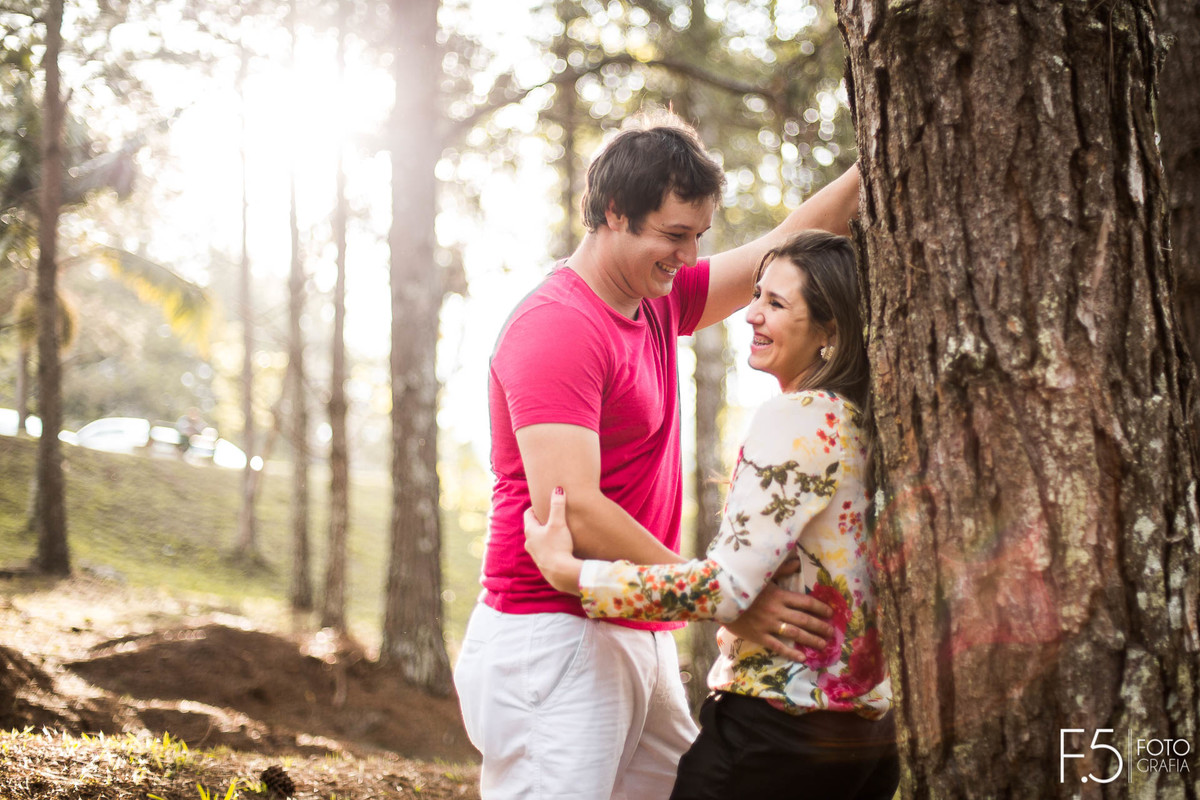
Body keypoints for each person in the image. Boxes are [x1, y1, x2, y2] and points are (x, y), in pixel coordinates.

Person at [453, 109, 861, 800]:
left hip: (636, 624)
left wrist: (867, 166)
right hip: (553, 631)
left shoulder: (657, 303)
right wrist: (723, 596)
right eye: (675, 235)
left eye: (699, 237)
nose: (690, 257)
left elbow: (782, 243)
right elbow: (574, 508)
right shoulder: (558, 326)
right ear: (615, 212)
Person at [525, 231, 898, 799]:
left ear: (830, 332)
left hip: (775, 737)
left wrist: (576, 575)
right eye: (756, 296)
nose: (750, 314)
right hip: (865, 741)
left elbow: (725, 590)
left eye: (776, 304)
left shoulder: (798, 418)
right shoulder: (865, 423)